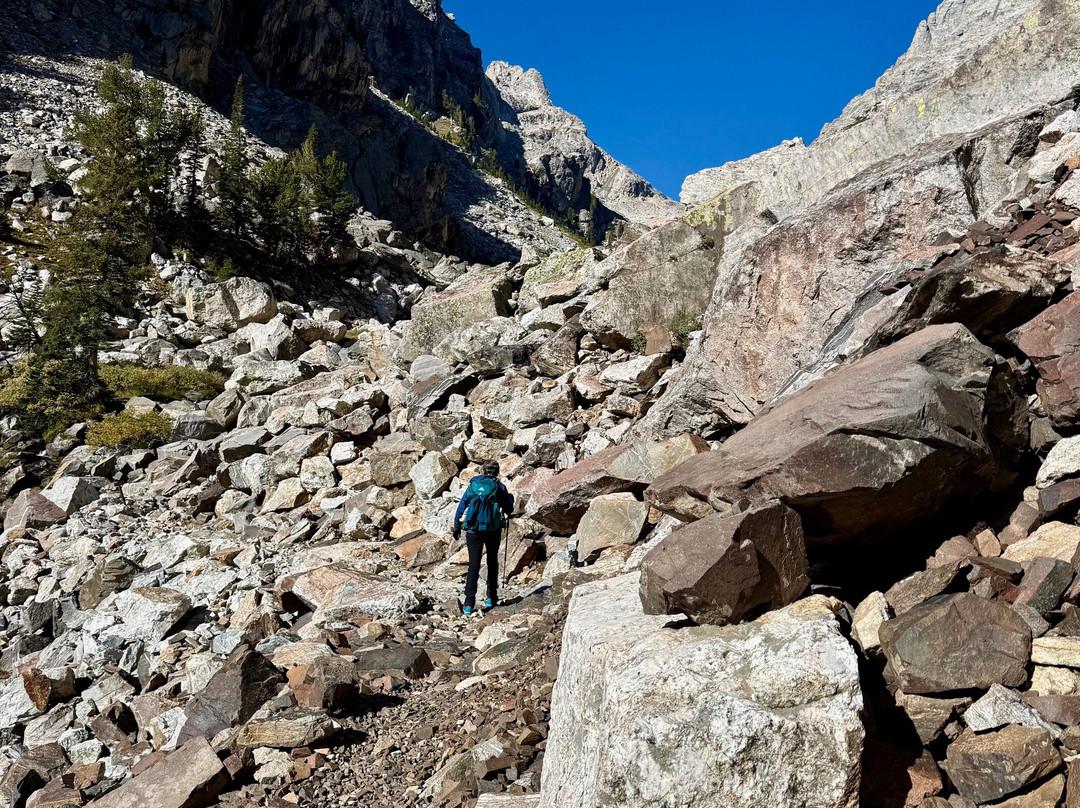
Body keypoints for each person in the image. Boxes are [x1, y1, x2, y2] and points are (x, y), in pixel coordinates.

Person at [453, 460, 514, 615]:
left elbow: (462, 506)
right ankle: (491, 597)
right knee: (492, 561)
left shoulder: (473, 486)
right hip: (492, 529)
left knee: (473, 565)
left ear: (482, 471)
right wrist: (509, 499)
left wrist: (456, 525)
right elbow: (508, 509)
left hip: (473, 530)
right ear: (497, 472)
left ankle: (468, 604)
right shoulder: (499, 487)